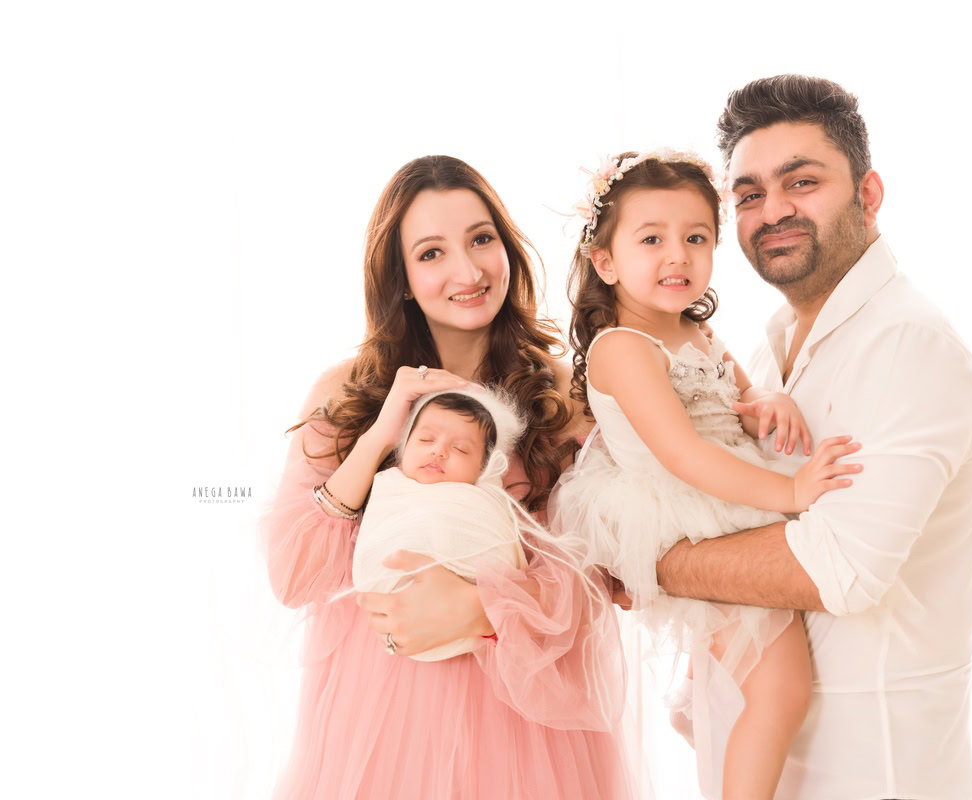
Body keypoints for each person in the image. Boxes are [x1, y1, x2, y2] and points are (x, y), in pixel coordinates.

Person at [648, 75, 972, 799]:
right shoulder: (767, 353)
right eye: (748, 195)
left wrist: (653, 563)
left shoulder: (911, 346)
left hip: (873, 772)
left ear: (868, 194)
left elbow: (836, 568)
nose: (773, 212)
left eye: (801, 182)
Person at [261, 155, 632, 799]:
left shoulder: (562, 396)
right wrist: (380, 435)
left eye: (482, 239)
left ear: (507, 248)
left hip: (521, 724)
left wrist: (480, 606)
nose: (468, 271)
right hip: (378, 713)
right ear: (400, 277)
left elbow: (601, 574)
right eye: (431, 253)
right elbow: (292, 577)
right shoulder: (345, 394)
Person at [550, 148, 862, 799]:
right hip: (682, 508)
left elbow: (738, 402)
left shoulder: (695, 329)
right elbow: (685, 455)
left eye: (696, 237)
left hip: (724, 487)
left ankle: (700, 690)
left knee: (772, 678)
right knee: (780, 689)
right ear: (605, 262)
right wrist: (790, 490)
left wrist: (767, 405)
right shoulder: (622, 349)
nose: (678, 256)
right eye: (652, 239)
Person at [351, 388, 606, 669]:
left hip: (483, 640)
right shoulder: (389, 486)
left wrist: (473, 602)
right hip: (385, 644)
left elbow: (506, 559)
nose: (438, 450)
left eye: (461, 449)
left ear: (484, 468)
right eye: (425, 439)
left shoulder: (481, 502)